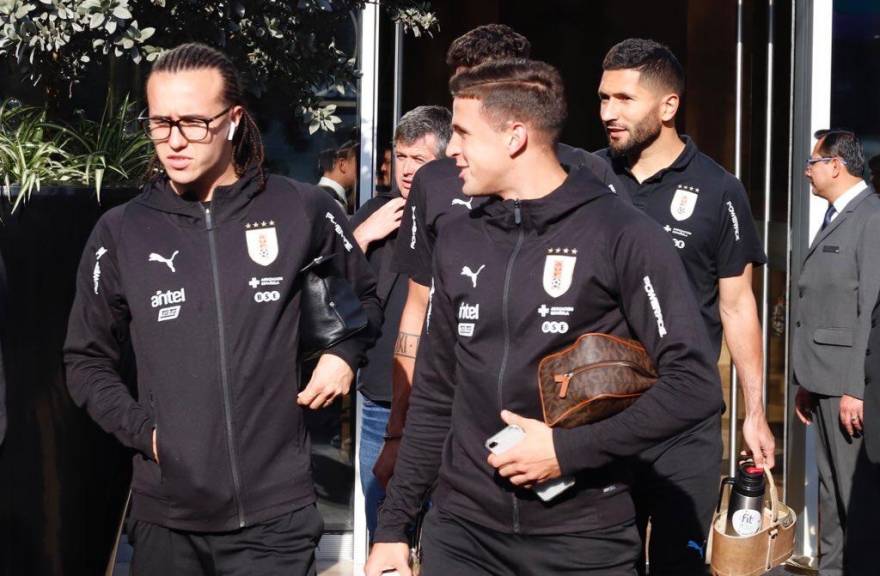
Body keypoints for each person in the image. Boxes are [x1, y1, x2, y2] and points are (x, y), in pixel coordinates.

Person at [365, 57, 723, 576]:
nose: (451, 149)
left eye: (463, 133)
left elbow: (694, 385)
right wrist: (393, 527)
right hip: (462, 533)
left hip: (581, 538)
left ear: (515, 137)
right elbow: (436, 394)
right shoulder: (459, 237)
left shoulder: (622, 234)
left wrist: (567, 450)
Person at [63, 43, 381, 576]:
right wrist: (148, 435)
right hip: (169, 519)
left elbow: (365, 300)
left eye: (193, 122)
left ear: (233, 119)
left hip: (276, 519)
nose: (174, 140)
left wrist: (343, 355)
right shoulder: (121, 231)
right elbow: (85, 360)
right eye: (160, 122)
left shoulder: (301, 209)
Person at [372, 23, 624, 488]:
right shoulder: (436, 180)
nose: (463, 103)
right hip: (448, 408)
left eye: (477, 86)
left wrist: (582, 434)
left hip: (549, 425)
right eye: (458, 88)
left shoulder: (584, 171)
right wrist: (398, 429)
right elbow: (417, 306)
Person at [594, 38, 772, 574]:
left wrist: (755, 413)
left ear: (668, 105)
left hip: (685, 418)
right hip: (599, 413)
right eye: (603, 98)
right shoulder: (585, 179)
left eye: (625, 99)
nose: (608, 113)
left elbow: (737, 307)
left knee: (679, 563)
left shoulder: (720, 190)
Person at [350, 105, 451, 538]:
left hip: (443, 400)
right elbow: (330, 290)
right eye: (401, 158)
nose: (407, 170)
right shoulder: (375, 213)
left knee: (440, 529)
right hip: (380, 397)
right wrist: (361, 236)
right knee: (383, 523)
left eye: (419, 159)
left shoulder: (461, 217)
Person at [792, 129, 880, 576]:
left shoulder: (871, 217)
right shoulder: (836, 214)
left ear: (836, 165)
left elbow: (872, 310)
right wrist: (806, 381)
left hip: (847, 387)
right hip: (822, 381)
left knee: (853, 499)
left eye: (812, 162)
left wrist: (855, 388)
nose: (807, 171)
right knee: (829, 494)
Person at [317, 140, 358, 212]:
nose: (361, 171)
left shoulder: (316, 195)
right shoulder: (332, 203)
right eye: (358, 164)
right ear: (342, 164)